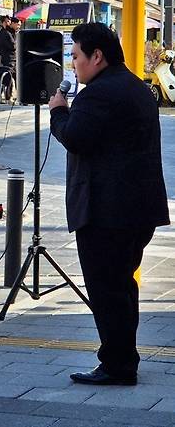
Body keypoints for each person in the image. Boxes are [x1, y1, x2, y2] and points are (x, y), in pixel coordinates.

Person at [48, 22, 169, 386]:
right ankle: (121, 358)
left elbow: (76, 137)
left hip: (106, 212)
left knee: (108, 289)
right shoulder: (135, 87)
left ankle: (117, 364)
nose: (73, 65)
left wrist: (58, 111)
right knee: (121, 286)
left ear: (96, 56)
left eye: (75, 56)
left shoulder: (98, 94)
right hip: (136, 210)